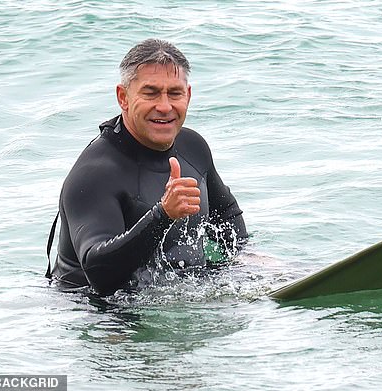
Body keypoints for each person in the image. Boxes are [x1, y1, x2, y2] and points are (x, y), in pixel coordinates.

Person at [47, 39, 248, 296]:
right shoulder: (94, 174)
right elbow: (99, 275)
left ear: (188, 95)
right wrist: (163, 215)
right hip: (102, 315)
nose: (164, 106)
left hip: (180, 295)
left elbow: (228, 217)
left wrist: (242, 263)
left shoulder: (193, 148)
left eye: (174, 93)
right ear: (123, 97)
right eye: (150, 93)